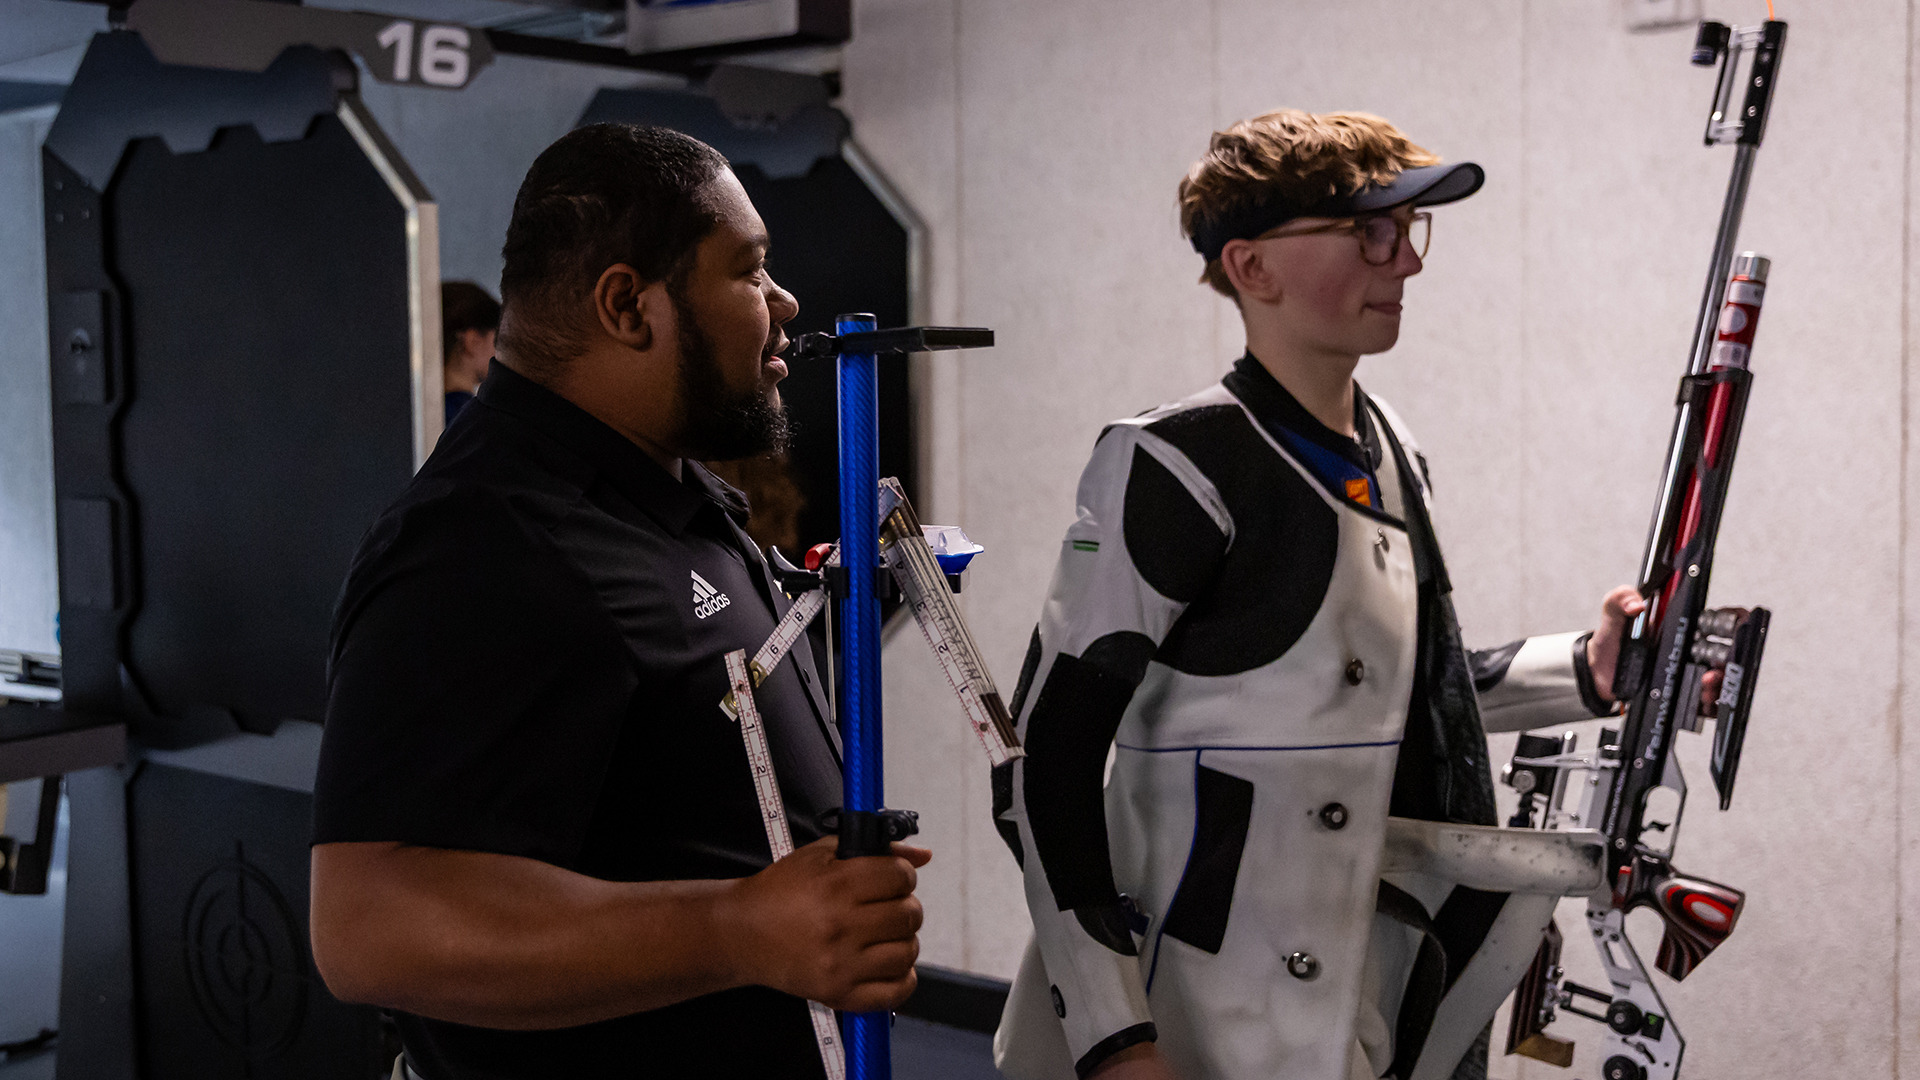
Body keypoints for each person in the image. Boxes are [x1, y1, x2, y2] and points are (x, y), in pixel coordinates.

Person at [990, 110, 1655, 1080]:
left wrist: (1585, 672)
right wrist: (1112, 1035)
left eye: (1407, 233)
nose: (1407, 264)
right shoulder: (1175, 464)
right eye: (1371, 235)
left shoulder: (1392, 448)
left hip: (1379, 981)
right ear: (1253, 269)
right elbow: (1040, 762)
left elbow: (1387, 692)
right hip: (1194, 1011)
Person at [310, 124, 929, 1080]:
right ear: (628, 306)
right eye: (750, 271)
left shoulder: (671, 496)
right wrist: (737, 928)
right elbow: (370, 927)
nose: (784, 302)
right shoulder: (487, 541)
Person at [440, 280, 499, 427]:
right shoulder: (475, 422)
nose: (500, 352)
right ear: (472, 341)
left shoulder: (418, 412)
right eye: (498, 339)